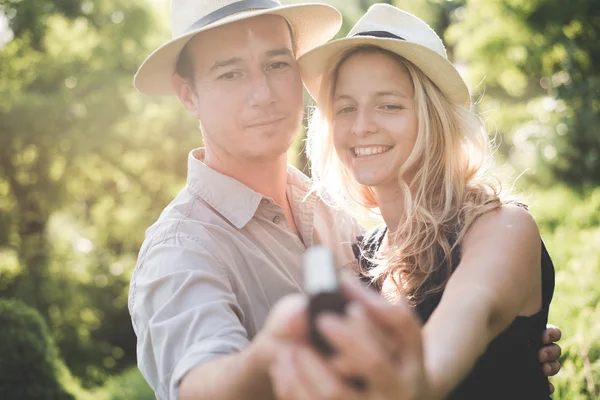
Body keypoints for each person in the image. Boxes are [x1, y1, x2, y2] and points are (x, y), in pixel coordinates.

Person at [128, 1, 562, 399]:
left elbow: (462, 324)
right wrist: (272, 356)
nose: (263, 93)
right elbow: (198, 385)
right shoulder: (180, 249)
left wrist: (510, 346)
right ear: (188, 95)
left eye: (277, 64)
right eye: (231, 73)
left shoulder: (343, 224)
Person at [269, 3, 559, 399]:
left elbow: (439, 356)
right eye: (346, 108)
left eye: (389, 105)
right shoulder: (361, 257)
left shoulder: (501, 228)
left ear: (433, 117)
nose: (361, 125)